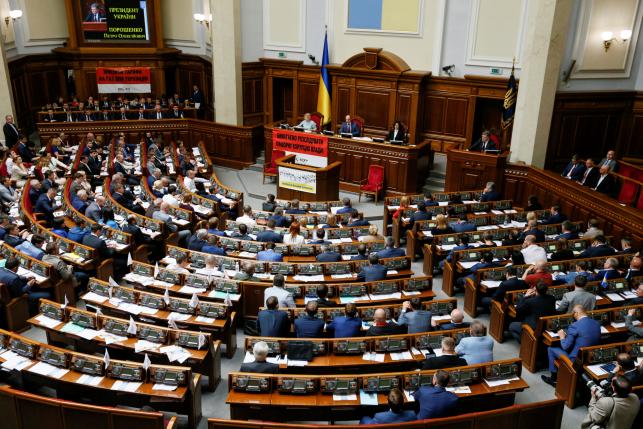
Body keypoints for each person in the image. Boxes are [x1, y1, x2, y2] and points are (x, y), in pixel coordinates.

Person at [542, 304, 601, 387]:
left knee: (551, 349)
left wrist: (562, 336)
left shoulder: (574, 326)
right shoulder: (596, 323)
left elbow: (565, 346)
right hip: (591, 356)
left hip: (575, 360)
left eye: (573, 314)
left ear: (576, 313)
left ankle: (554, 379)